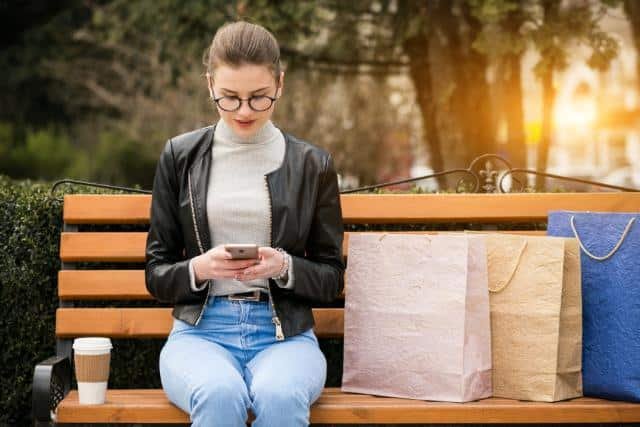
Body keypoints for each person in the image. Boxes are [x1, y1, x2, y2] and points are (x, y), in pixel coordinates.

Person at [144, 21, 345, 427]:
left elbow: (331, 276)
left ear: (280, 83)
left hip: (285, 336)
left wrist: (283, 267)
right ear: (209, 84)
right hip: (199, 334)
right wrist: (199, 269)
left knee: (280, 395)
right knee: (219, 394)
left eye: (259, 98)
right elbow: (157, 271)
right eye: (229, 98)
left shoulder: (312, 165)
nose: (244, 112)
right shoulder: (179, 156)